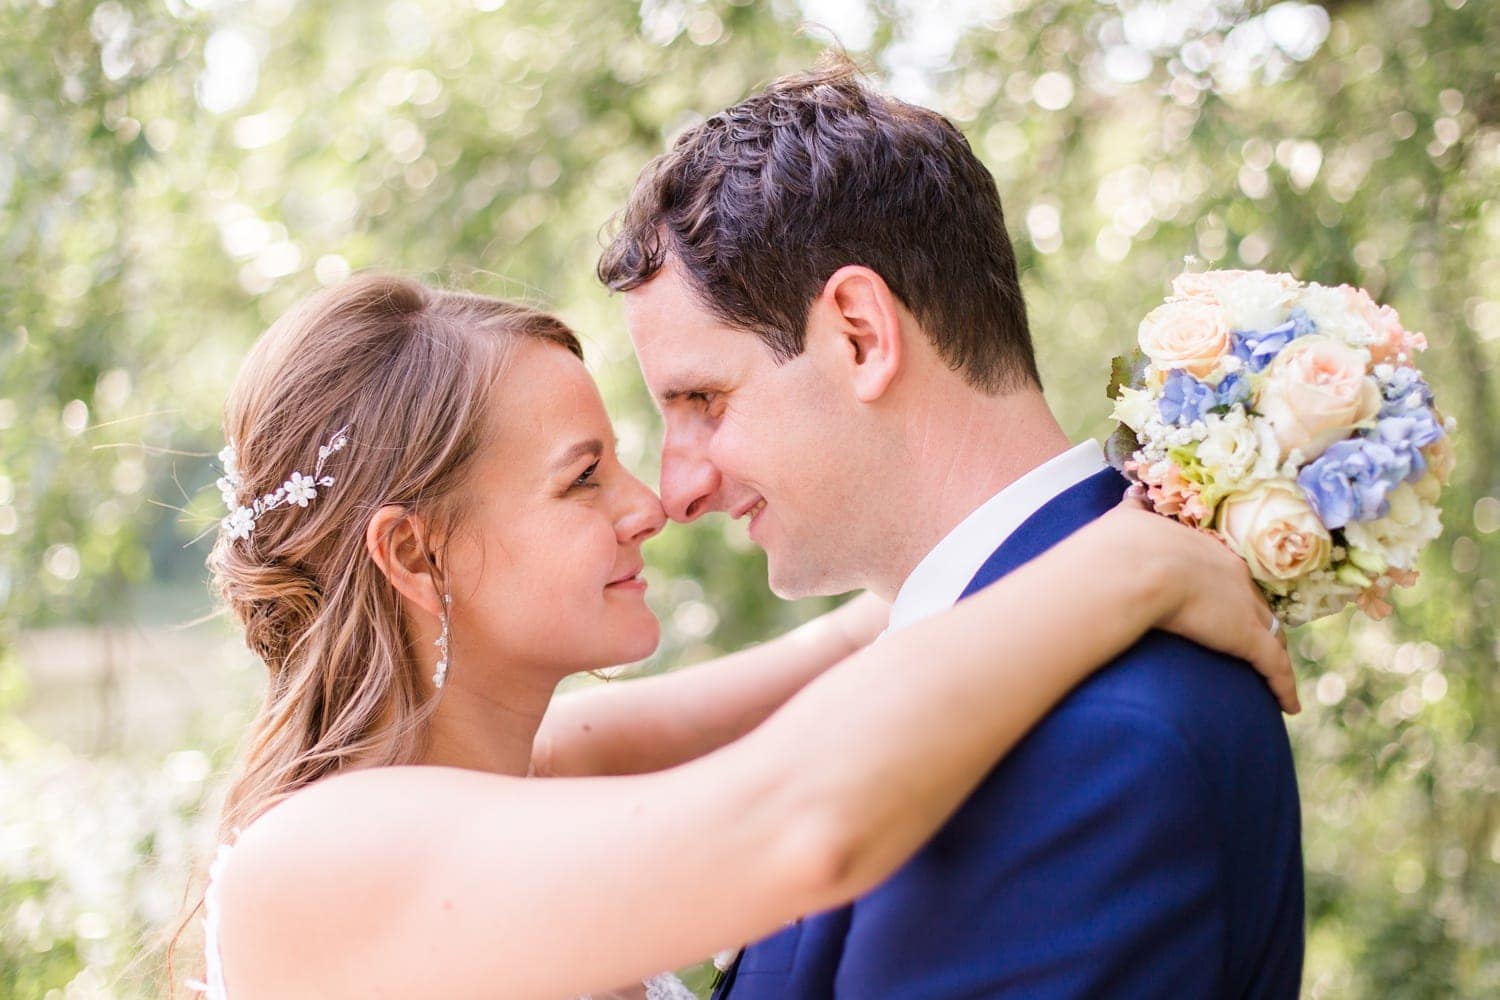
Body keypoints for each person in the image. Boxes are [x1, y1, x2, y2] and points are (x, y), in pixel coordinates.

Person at [191, 273, 1293, 1000]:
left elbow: (877, 639)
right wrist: (1130, 568)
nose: (650, 502)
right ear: (416, 556)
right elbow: (807, 820)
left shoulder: (543, 761)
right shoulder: (313, 861)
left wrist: (1150, 500)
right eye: (583, 479)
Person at [599, 55, 1305, 998]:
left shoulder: (1102, 741)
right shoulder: (966, 654)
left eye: (704, 400)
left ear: (860, 333)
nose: (673, 492)